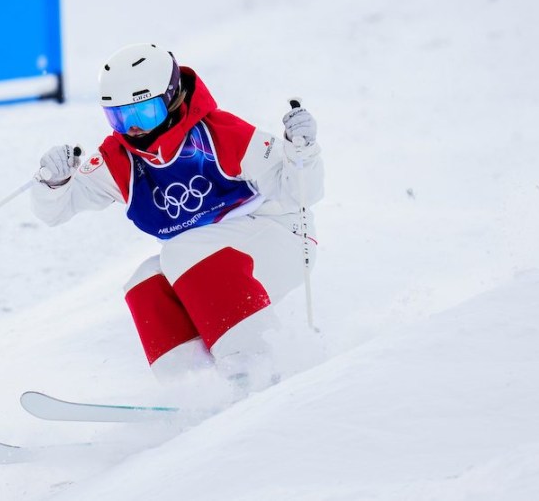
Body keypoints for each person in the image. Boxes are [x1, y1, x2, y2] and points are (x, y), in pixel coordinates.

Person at [31, 43, 324, 392]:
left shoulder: (218, 135)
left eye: (145, 112)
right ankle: (195, 388)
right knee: (146, 283)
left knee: (180, 251)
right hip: (213, 259)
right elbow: (57, 210)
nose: (135, 128)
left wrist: (302, 149)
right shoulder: (120, 160)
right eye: (121, 117)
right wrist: (54, 181)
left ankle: (256, 367)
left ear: (170, 98)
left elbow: (300, 191)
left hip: (281, 235)